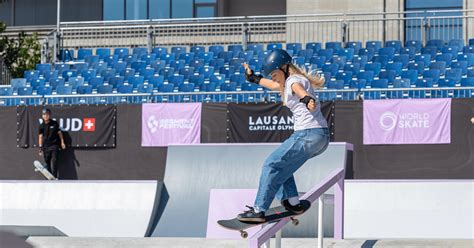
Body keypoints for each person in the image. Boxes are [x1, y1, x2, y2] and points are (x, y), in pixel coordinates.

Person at [237, 49, 330, 222]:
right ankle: (293, 202)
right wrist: (253, 78)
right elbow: (272, 85)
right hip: (320, 137)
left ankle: (259, 210)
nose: (273, 77)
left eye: (274, 73)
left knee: (271, 165)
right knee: (284, 167)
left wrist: (306, 99)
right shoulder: (287, 82)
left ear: (285, 68)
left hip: (308, 134)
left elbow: (300, 90)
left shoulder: (293, 81)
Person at [38, 108, 66, 178]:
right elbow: (40, 137)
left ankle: (55, 177)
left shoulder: (55, 123)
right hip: (45, 147)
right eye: (44, 115)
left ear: (49, 115)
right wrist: (40, 147)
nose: (45, 116)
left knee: (54, 162)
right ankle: (49, 177)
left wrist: (62, 142)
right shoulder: (41, 126)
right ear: (42, 116)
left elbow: (60, 133)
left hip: (54, 146)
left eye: (46, 114)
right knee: (47, 163)